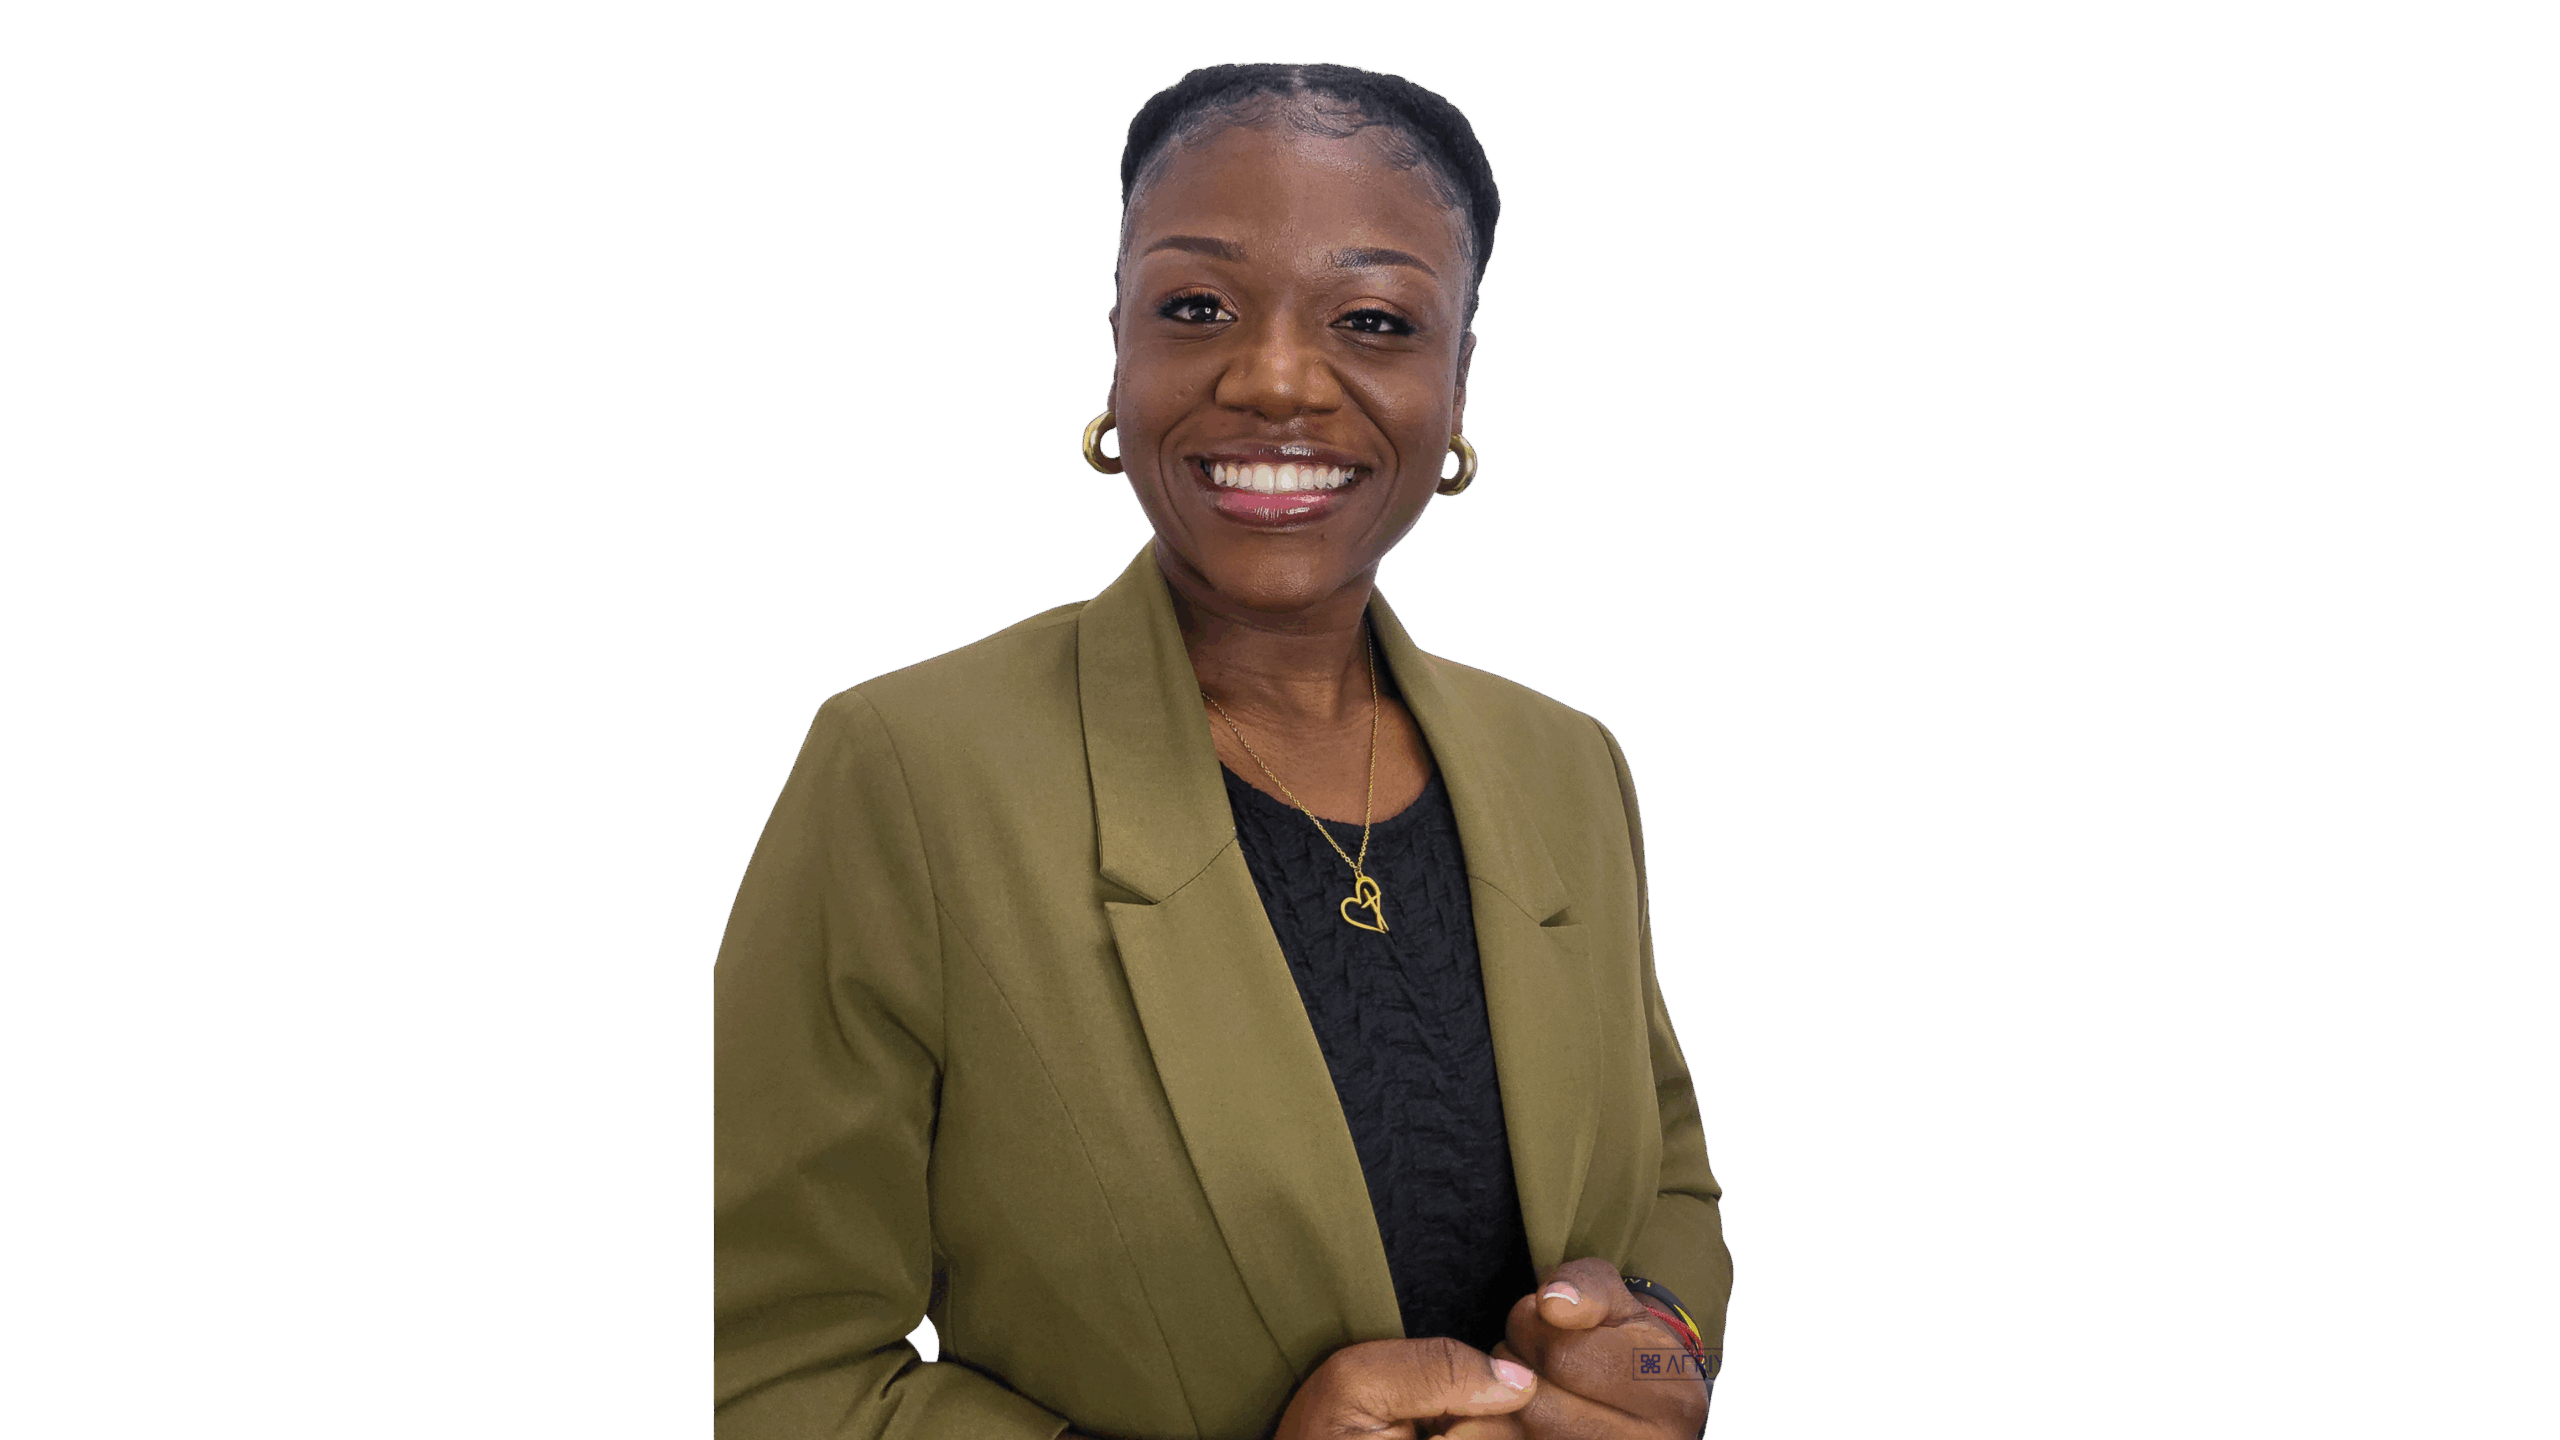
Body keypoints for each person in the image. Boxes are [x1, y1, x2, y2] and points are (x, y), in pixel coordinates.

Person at [713, 61, 1733, 1439]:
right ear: (1116, 349)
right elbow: (756, 1365)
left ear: (1457, 384)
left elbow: (1667, 1180)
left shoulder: (1566, 765)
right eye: (1196, 308)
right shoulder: (908, 773)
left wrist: (1655, 1348)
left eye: (1374, 322)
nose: (1273, 379)